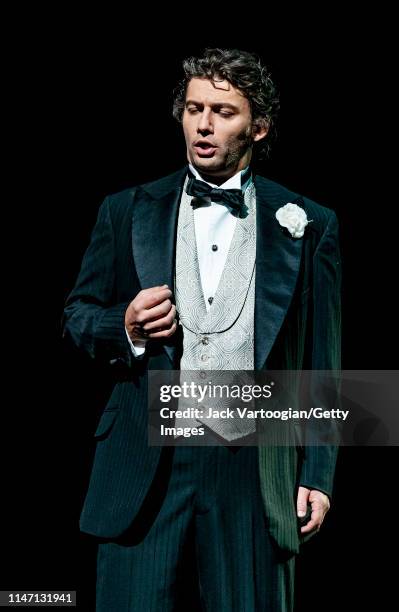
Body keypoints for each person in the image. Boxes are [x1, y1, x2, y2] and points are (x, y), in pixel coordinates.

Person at [62, 48, 341, 611]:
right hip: (146, 459)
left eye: (223, 111)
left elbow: (321, 359)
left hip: (252, 464)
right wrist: (125, 325)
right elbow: (76, 317)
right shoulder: (125, 209)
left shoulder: (308, 223)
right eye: (193, 109)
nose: (204, 124)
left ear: (258, 127)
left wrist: (318, 472)